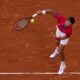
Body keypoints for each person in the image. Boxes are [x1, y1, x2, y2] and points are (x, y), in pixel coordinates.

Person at [32, 9, 75, 75]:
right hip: (59, 30)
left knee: (61, 50)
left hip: (64, 36)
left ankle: (63, 65)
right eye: (67, 22)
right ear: (66, 20)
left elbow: (65, 37)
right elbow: (52, 11)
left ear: (71, 25)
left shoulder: (69, 30)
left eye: (69, 24)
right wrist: (42, 12)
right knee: (57, 43)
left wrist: (57, 38)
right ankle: (56, 50)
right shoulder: (61, 18)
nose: (67, 24)